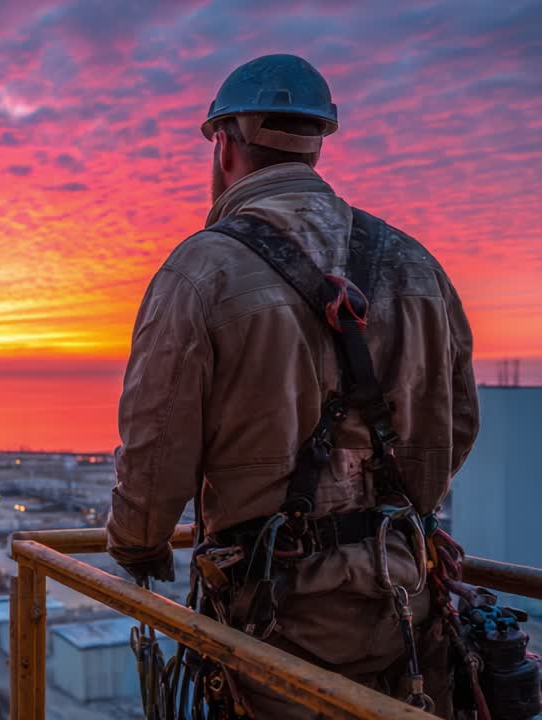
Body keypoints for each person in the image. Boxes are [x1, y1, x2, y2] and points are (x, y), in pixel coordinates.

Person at [105, 54, 479, 718]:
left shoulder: (202, 270)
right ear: (316, 144)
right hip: (407, 606)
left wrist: (140, 544)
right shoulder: (414, 263)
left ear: (223, 144)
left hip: (275, 622)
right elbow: (459, 421)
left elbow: (156, 442)